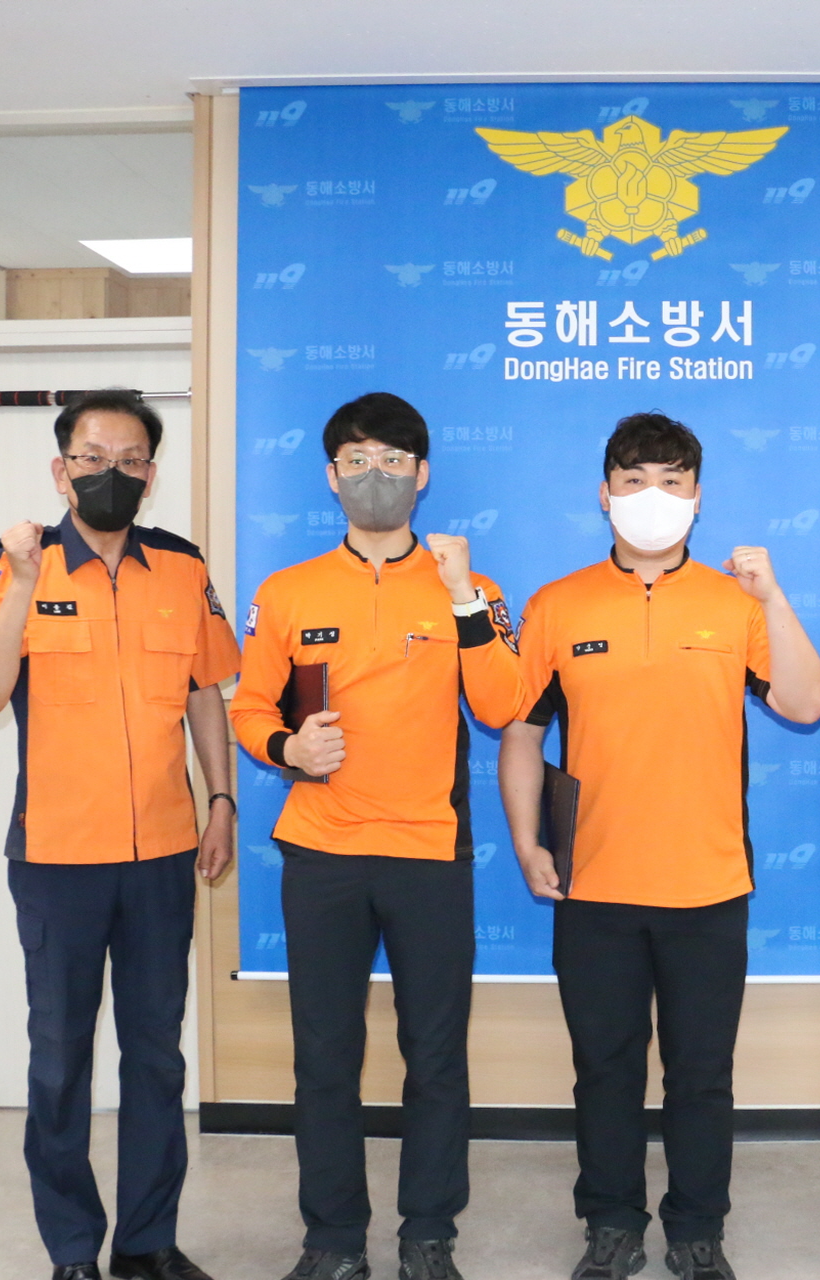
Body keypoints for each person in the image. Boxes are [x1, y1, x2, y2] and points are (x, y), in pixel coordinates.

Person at [500, 412, 820, 1280]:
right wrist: (527, 842)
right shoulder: (557, 604)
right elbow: (522, 733)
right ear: (604, 494)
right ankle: (611, 1224)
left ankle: (697, 1230)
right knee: (604, 1071)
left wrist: (774, 598)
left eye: (673, 480)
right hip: (595, 887)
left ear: (698, 497)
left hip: (709, 885)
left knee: (701, 1075)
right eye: (636, 479)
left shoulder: (735, 602)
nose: (654, 495)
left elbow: (804, 704)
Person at [0, 388, 241, 1280]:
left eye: (131, 460)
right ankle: (73, 1248)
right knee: (60, 1060)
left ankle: (146, 1243)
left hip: (161, 855)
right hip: (58, 856)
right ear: (60, 468)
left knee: (156, 1058)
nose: (112, 472)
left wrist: (221, 800)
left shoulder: (182, 567)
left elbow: (203, 691)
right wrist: (22, 588)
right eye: (92, 457)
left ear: (151, 475)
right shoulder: (10, 561)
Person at [229, 392, 525, 1280]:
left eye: (394, 460)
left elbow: (502, 703)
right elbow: (249, 707)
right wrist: (287, 748)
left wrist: (464, 595)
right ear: (331, 477)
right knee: (325, 1055)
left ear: (422, 475)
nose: (376, 475)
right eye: (357, 460)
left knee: (435, 1055)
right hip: (323, 852)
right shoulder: (287, 591)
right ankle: (332, 1240)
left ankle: (428, 1235)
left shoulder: (472, 587)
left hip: (429, 852)